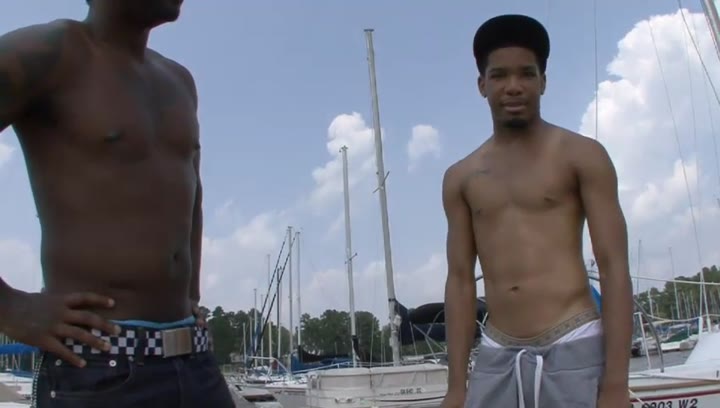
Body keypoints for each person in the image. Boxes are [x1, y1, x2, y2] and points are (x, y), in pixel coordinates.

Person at [0, 1, 236, 407]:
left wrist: (192, 295)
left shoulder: (179, 81)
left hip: (194, 360)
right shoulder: (47, 53)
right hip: (97, 364)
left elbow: (191, 191)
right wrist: (8, 307)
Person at [441, 14, 633, 408]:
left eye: (526, 74)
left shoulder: (582, 156)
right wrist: (456, 387)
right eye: (499, 75)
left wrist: (616, 384)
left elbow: (614, 266)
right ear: (482, 85)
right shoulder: (461, 177)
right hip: (497, 351)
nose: (513, 86)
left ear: (543, 81)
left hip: (574, 341)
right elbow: (460, 281)